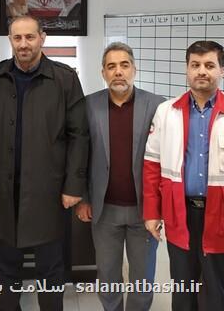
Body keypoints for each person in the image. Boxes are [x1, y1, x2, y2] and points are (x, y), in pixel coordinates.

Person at [0, 15, 89, 311]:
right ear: (10, 40)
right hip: (3, 192)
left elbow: (78, 135)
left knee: (50, 270)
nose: (23, 44)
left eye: (30, 37)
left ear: (42, 38)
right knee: (7, 268)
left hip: (49, 193)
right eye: (17, 38)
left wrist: (74, 185)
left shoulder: (64, 78)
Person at [143, 40, 224, 311]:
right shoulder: (167, 112)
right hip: (180, 213)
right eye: (195, 65)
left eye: (209, 65)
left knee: (218, 291)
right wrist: (152, 212)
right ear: (187, 69)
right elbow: (151, 166)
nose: (202, 71)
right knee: (183, 289)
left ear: (222, 70)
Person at [76, 42, 164, 311]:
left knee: (143, 278)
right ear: (103, 72)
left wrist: (161, 206)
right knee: (108, 276)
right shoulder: (88, 105)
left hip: (144, 211)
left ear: (134, 69)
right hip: (104, 211)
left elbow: (167, 159)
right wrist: (83, 198)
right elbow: (80, 155)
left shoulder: (157, 105)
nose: (118, 72)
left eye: (124, 65)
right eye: (111, 66)